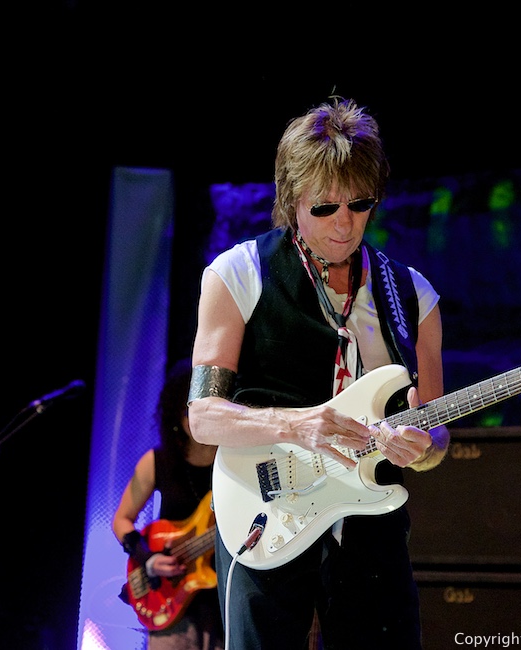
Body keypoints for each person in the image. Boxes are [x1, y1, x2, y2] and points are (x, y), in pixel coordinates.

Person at [187, 97, 450, 649]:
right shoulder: (238, 273)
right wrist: (297, 425)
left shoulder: (414, 295)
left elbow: (436, 430)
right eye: (325, 207)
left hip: (371, 523)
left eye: (360, 204)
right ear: (292, 200)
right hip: (265, 513)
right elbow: (204, 417)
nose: (345, 224)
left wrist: (424, 448)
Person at [113, 358, 225, 650]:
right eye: (189, 408)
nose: (196, 417)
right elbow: (121, 519)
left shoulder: (236, 459)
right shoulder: (156, 461)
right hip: (172, 606)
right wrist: (148, 558)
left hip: (224, 599)